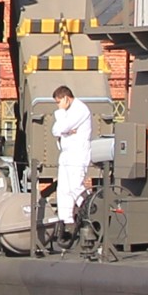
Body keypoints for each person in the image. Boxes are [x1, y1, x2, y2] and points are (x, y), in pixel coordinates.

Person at [50, 85, 94, 235]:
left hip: (77, 153)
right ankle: (66, 221)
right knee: (63, 188)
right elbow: (55, 130)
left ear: (66, 99)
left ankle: (90, 209)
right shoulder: (68, 112)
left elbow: (61, 127)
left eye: (59, 102)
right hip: (66, 153)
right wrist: (66, 131)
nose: (58, 105)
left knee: (75, 185)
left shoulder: (80, 110)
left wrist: (63, 121)